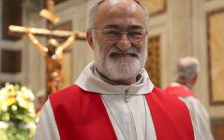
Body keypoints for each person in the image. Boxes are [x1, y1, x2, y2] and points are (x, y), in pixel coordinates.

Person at [35, 0, 204, 139]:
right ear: (91, 39)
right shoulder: (59, 111)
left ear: (146, 38)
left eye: (135, 32)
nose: (124, 44)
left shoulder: (178, 110)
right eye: (112, 32)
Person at [164, 56, 214, 140]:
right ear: (195, 77)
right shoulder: (191, 102)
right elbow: (203, 135)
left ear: (177, 73)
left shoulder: (163, 97)